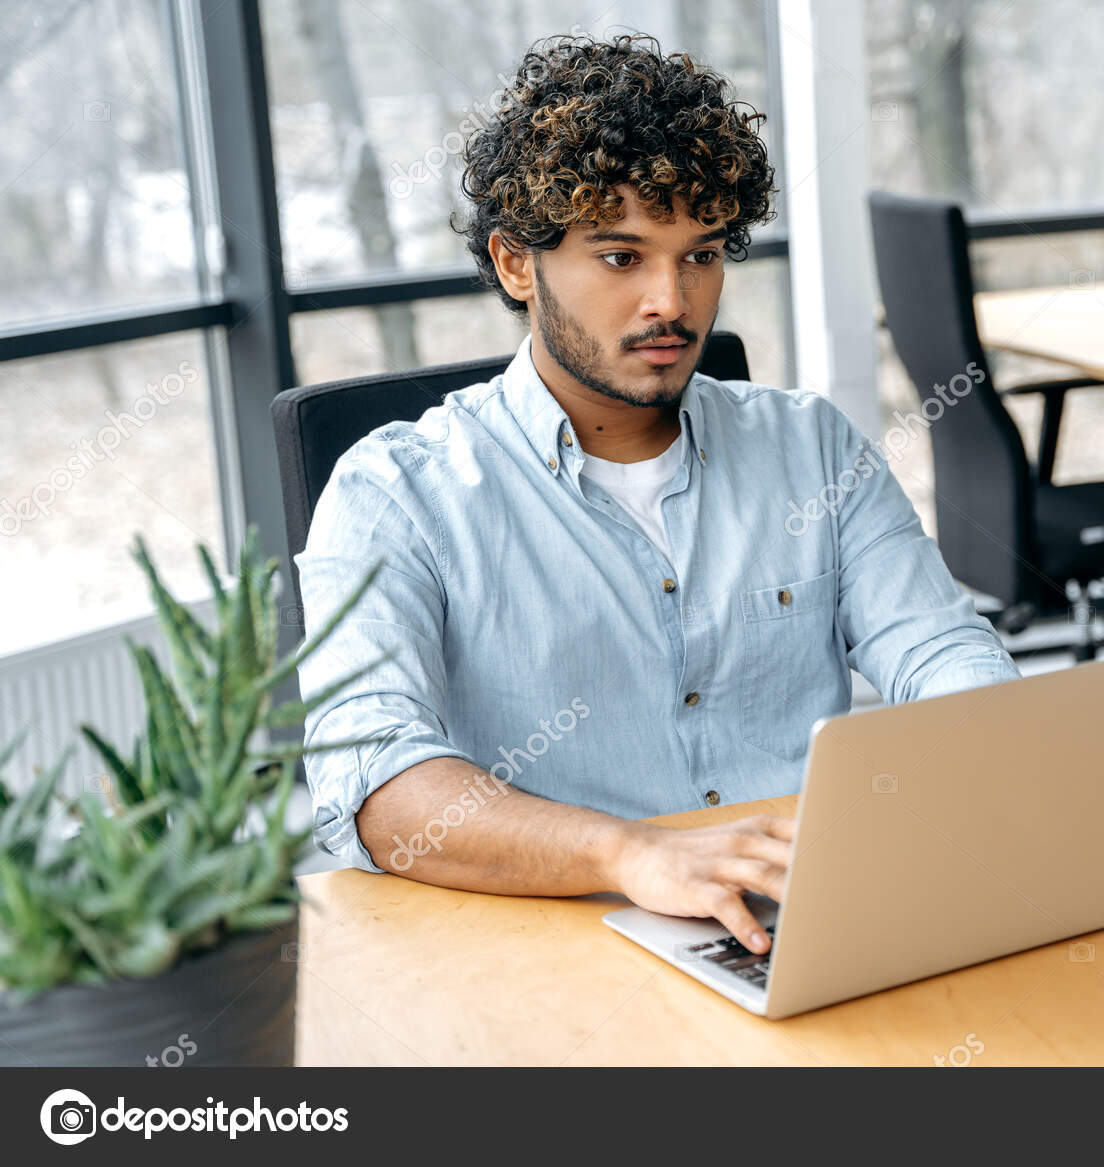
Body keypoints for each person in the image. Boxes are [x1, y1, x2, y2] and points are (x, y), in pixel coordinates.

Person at [296, 33, 1018, 953]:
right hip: (560, 940)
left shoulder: (810, 445)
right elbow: (372, 781)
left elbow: (941, 649)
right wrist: (627, 853)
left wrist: (998, 753)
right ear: (518, 264)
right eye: (621, 257)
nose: (672, 302)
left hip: (805, 914)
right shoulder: (396, 493)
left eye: (701, 255)